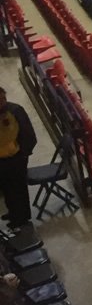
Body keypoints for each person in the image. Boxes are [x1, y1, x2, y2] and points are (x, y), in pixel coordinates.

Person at [0, 86, 38, 230]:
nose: (2, 102)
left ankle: (21, 219)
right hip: (1, 161)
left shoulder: (15, 111)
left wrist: (23, 154)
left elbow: (29, 134)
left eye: (3, 98)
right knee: (6, 189)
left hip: (16, 158)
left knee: (18, 190)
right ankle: (12, 213)